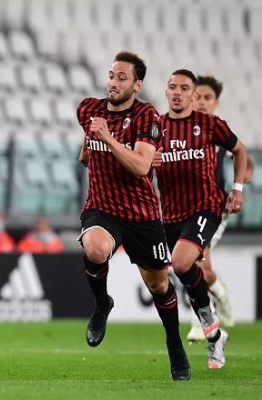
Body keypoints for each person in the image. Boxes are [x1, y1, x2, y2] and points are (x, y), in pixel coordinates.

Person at [76, 51, 190, 381]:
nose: (113, 82)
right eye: (112, 75)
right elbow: (86, 155)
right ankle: (102, 305)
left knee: (158, 285)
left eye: (122, 78)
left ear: (137, 85)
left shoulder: (147, 117)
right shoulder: (88, 109)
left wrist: (109, 138)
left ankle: (174, 342)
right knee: (95, 248)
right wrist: (91, 145)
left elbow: (141, 167)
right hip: (102, 207)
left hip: (141, 214)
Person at [152, 69, 249, 369]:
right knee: (185, 271)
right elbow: (140, 166)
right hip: (170, 213)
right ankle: (214, 332)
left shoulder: (208, 124)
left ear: (193, 95)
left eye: (184, 88)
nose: (177, 92)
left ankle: (211, 325)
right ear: (166, 93)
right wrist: (146, 163)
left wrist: (236, 190)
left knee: (182, 263)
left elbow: (240, 150)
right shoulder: (155, 128)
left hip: (206, 207)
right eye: (172, 87)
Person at [185, 75, 255, 342]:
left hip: (214, 207)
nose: (201, 102)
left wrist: (242, 179)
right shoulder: (179, 129)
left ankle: (199, 324)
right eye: (198, 96)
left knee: (194, 262)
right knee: (203, 268)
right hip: (183, 207)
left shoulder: (217, 130)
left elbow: (242, 154)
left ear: (216, 103)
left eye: (207, 98)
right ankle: (221, 293)